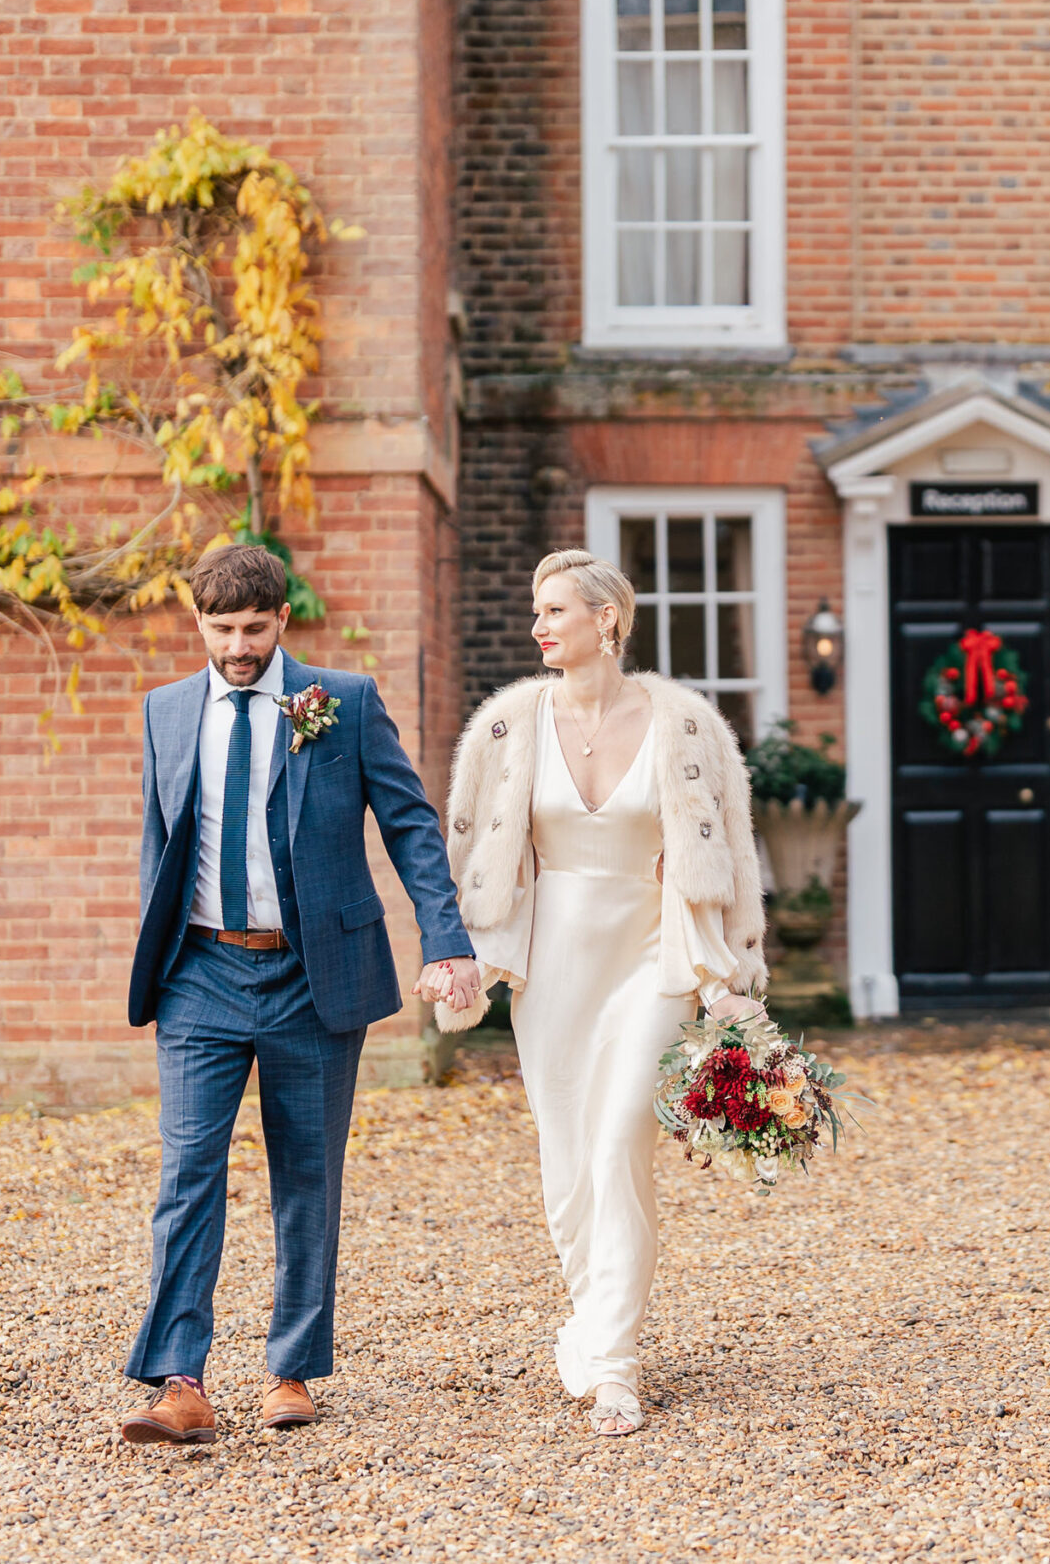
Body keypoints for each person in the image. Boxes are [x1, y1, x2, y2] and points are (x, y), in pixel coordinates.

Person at [116, 544, 482, 1444]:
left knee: (307, 1177)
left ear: (283, 619)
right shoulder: (167, 711)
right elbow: (161, 843)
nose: (238, 646)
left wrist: (445, 938)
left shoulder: (341, 703)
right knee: (187, 1176)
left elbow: (408, 822)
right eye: (220, 628)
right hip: (198, 972)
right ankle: (180, 1382)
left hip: (309, 974)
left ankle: (290, 1370)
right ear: (196, 621)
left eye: (253, 627)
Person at [440, 549, 768, 1435]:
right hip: (552, 962)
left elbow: (727, 852)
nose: (539, 626)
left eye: (555, 610)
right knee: (565, 1159)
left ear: (607, 620)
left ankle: (614, 1363)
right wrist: (463, 951)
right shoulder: (509, 724)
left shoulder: (683, 723)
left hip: (651, 952)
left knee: (622, 1132)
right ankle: (590, 1319)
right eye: (537, 610)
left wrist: (731, 975)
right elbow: (473, 851)